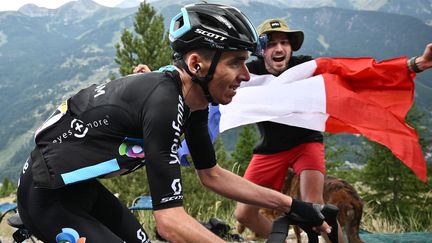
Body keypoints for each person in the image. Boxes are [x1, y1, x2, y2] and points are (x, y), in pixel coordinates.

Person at [16, 4, 333, 243]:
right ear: (197, 64)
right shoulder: (165, 102)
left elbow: (212, 175)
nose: (246, 75)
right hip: (46, 197)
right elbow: (169, 221)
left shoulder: (192, 101)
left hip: (79, 190)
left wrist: (295, 206)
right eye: (236, 62)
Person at [232, 18, 432, 242]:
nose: (279, 49)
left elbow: (355, 73)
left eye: (285, 43)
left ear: (291, 47)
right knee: (243, 213)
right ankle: (285, 240)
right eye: (271, 44)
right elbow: (216, 81)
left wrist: (414, 64)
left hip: (305, 143)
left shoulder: (307, 67)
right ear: (261, 50)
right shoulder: (250, 73)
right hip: (270, 149)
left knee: (315, 207)